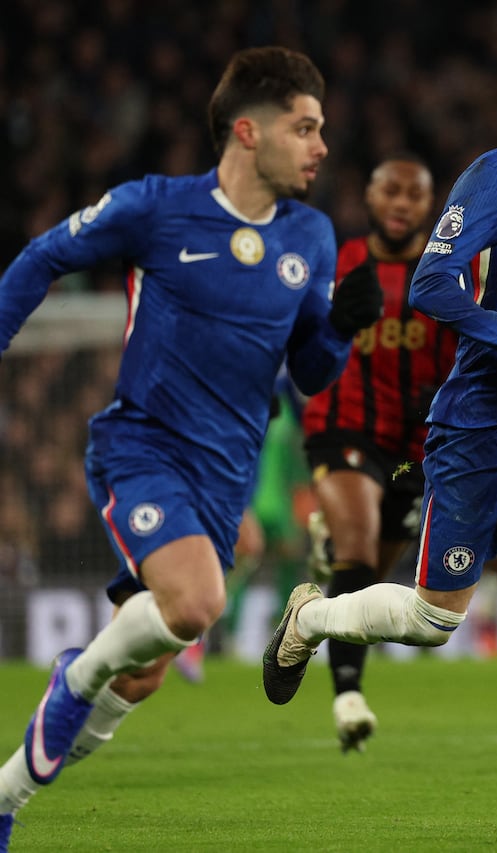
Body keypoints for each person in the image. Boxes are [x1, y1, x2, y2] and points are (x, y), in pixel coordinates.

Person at [260, 29, 497, 835]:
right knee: (436, 618)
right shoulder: (494, 180)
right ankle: (312, 618)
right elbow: (434, 282)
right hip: (475, 423)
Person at [0, 46, 383, 849]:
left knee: (140, 670)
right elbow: (43, 256)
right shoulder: (158, 208)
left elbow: (312, 373)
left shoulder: (310, 235)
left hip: (223, 477)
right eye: (304, 128)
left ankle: (6, 794)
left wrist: (342, 328)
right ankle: (69, 683)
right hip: (143, 446)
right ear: (249, 131)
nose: (320, 146)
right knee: (198, 602)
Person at [300, 154, 458, 753]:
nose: (400, 203)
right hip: (342, 428)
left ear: (430, 205)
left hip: (408, 449)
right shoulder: (338, 262)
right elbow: (303, 337)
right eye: (389, 190)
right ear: (369, 196)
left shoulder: (446, 274)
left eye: (413, 195)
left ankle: (330, 546)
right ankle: (347, 695)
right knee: (361, 544)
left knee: (366, 575)